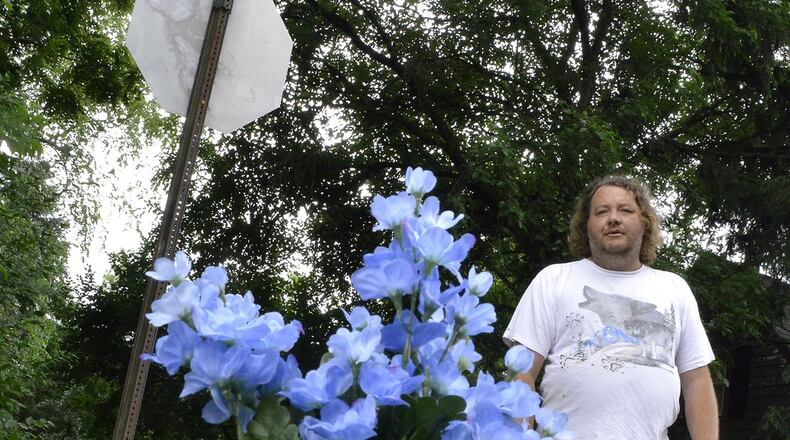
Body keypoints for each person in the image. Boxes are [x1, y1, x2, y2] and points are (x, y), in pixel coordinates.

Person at [503, 176, 718, 440]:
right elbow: (521, 371)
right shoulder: (554, 280)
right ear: (587, 226)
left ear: (645, 223)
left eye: (625, 210)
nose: (613, 218)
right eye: (602, 211)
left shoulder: (675, 288)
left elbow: (696, 380)